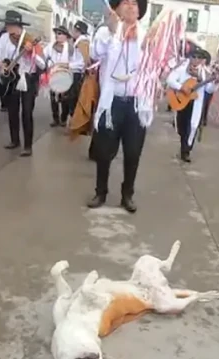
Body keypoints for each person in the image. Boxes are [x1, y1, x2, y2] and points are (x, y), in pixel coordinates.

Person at [87, 0, 150, 213]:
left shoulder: (147, 35)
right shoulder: (106, 32)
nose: (131, 6)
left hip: (136, 103)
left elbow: (159, 63)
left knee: (133, 153)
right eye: (126, 3)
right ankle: (100, 192)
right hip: (111, 102)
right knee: (104, 152)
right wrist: (113, 32)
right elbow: (95, 54)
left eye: (135, 3)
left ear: (140, 10)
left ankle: (127, 195)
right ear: (117, 9)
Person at [0, 10, 45, 157]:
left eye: (10, 25)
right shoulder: (4, 38)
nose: (8, 28)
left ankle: (28, 146)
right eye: (7, 25)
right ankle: (14, 140)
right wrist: (2, 66)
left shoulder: (29, 39)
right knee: (12, 111)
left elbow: (42, 64)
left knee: (26, 112)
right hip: (12, 78)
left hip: (28, 79)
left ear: (17, 25)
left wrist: (31, 53)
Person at [166, 47, 217, 163]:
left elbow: (209, 89)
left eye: (199, 57)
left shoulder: (204, 72)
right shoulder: (182, 69)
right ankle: (183, 145)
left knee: (193, 126)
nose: (196, 59)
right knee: (182, 126)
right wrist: (181, 88)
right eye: (194, 56)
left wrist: (214, 82)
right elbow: (170, 80)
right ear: (190, 57)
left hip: (196, 103)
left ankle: (186, 151)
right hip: (182, 101)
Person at [47, 25, 72, 127]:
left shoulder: (70, 48)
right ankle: (55, 118)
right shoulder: (50, 46)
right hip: (53, 74)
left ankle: (63, 118)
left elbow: (73, 62)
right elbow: (45, 57)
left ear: (66, 36)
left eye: (60, 33)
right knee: (53, 99)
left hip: (65, 75)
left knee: (65, 99)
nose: (57, 35)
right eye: (56, 33)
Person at [67, 21, 91, 121]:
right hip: (75, 72)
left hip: (77, 74)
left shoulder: (82, 43)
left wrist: (68, 65)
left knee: (74, 99)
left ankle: (75, 121)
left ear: (78, 31)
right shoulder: (79, 42)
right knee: (73, 99)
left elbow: (83, 62)